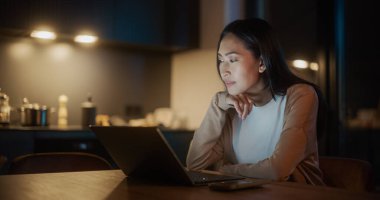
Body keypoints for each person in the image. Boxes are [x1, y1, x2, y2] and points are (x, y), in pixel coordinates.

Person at [186, 18, 326, 185]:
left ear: (261, 62)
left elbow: (276, 170)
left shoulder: (300, 96)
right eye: (221, 60)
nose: (223, 71)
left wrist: (224, 170)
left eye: (232, 60)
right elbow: (194, 165)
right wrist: (216, 105)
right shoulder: (231, 108)